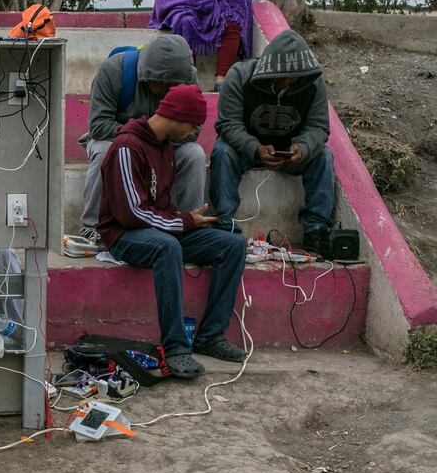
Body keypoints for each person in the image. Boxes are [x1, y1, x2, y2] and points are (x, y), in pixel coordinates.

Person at [98, 84, 247, 378]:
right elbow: (131, 213)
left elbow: (161, 208)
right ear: (177, 117)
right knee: (168, 247)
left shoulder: (165, 147)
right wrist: (184, 221)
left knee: (232, 245)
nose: (194, 133)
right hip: (124, 236)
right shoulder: (126, 148)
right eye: (193, 125)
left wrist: (187, 220)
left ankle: (210, 337)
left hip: (159, 228)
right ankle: (176, 347)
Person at [210, 29, 335, 253]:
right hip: (246, 149)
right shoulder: (239, 75)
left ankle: (316, 228)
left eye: (294, 77)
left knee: (323, 156)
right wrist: (255, 148)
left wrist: (302, 148)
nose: (288, 81)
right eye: (282, 76)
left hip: (290, 153)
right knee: (222, 151)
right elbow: (227, 124)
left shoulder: (313, 84)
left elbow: (319, 127)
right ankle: (225, 225)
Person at [78, 34, 204, 244]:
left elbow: (194, 130)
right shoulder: (114, 70)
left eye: (175, 85)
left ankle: (190, 225)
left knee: (194, 154)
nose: (168, 91)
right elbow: (99, 126)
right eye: (163, 84)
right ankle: (92, 227)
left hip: (165, 144)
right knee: (104, 153)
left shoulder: (189, 76)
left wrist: (157, 140)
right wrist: (142, 137)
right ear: (148, 76)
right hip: (115, 139)